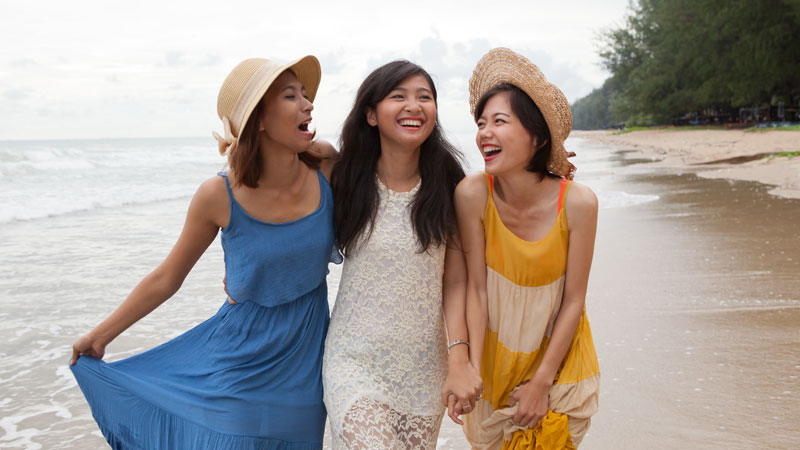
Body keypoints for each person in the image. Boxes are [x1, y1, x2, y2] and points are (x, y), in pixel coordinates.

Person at [69, 55, 340, 449]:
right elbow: (167, 277)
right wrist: (101, 335)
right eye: (290, 96)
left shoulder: (326, 165)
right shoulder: (218, 195)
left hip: (304, 364)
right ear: (258, 120)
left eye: (304, 95)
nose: (307, 104)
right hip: (238, 362)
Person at [321, 60, 482, 449]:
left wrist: (459, 362)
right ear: (372, 115)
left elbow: (456, 280)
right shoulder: (343, 176)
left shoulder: (449, 183)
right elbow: (280, 203)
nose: (414, 105)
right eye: (399, 96)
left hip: (423, 371)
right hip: (353, 361)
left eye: (424, 97)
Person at [455, 48, 600, 449]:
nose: (485, 132)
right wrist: (472, 372)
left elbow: (574, 301)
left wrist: (542, 382)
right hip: (495, 365)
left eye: (499, 121)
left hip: (559, 366)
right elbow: (477, 289)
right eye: (481, 123)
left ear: (536, 137)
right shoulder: (472, 195)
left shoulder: (578, 203)